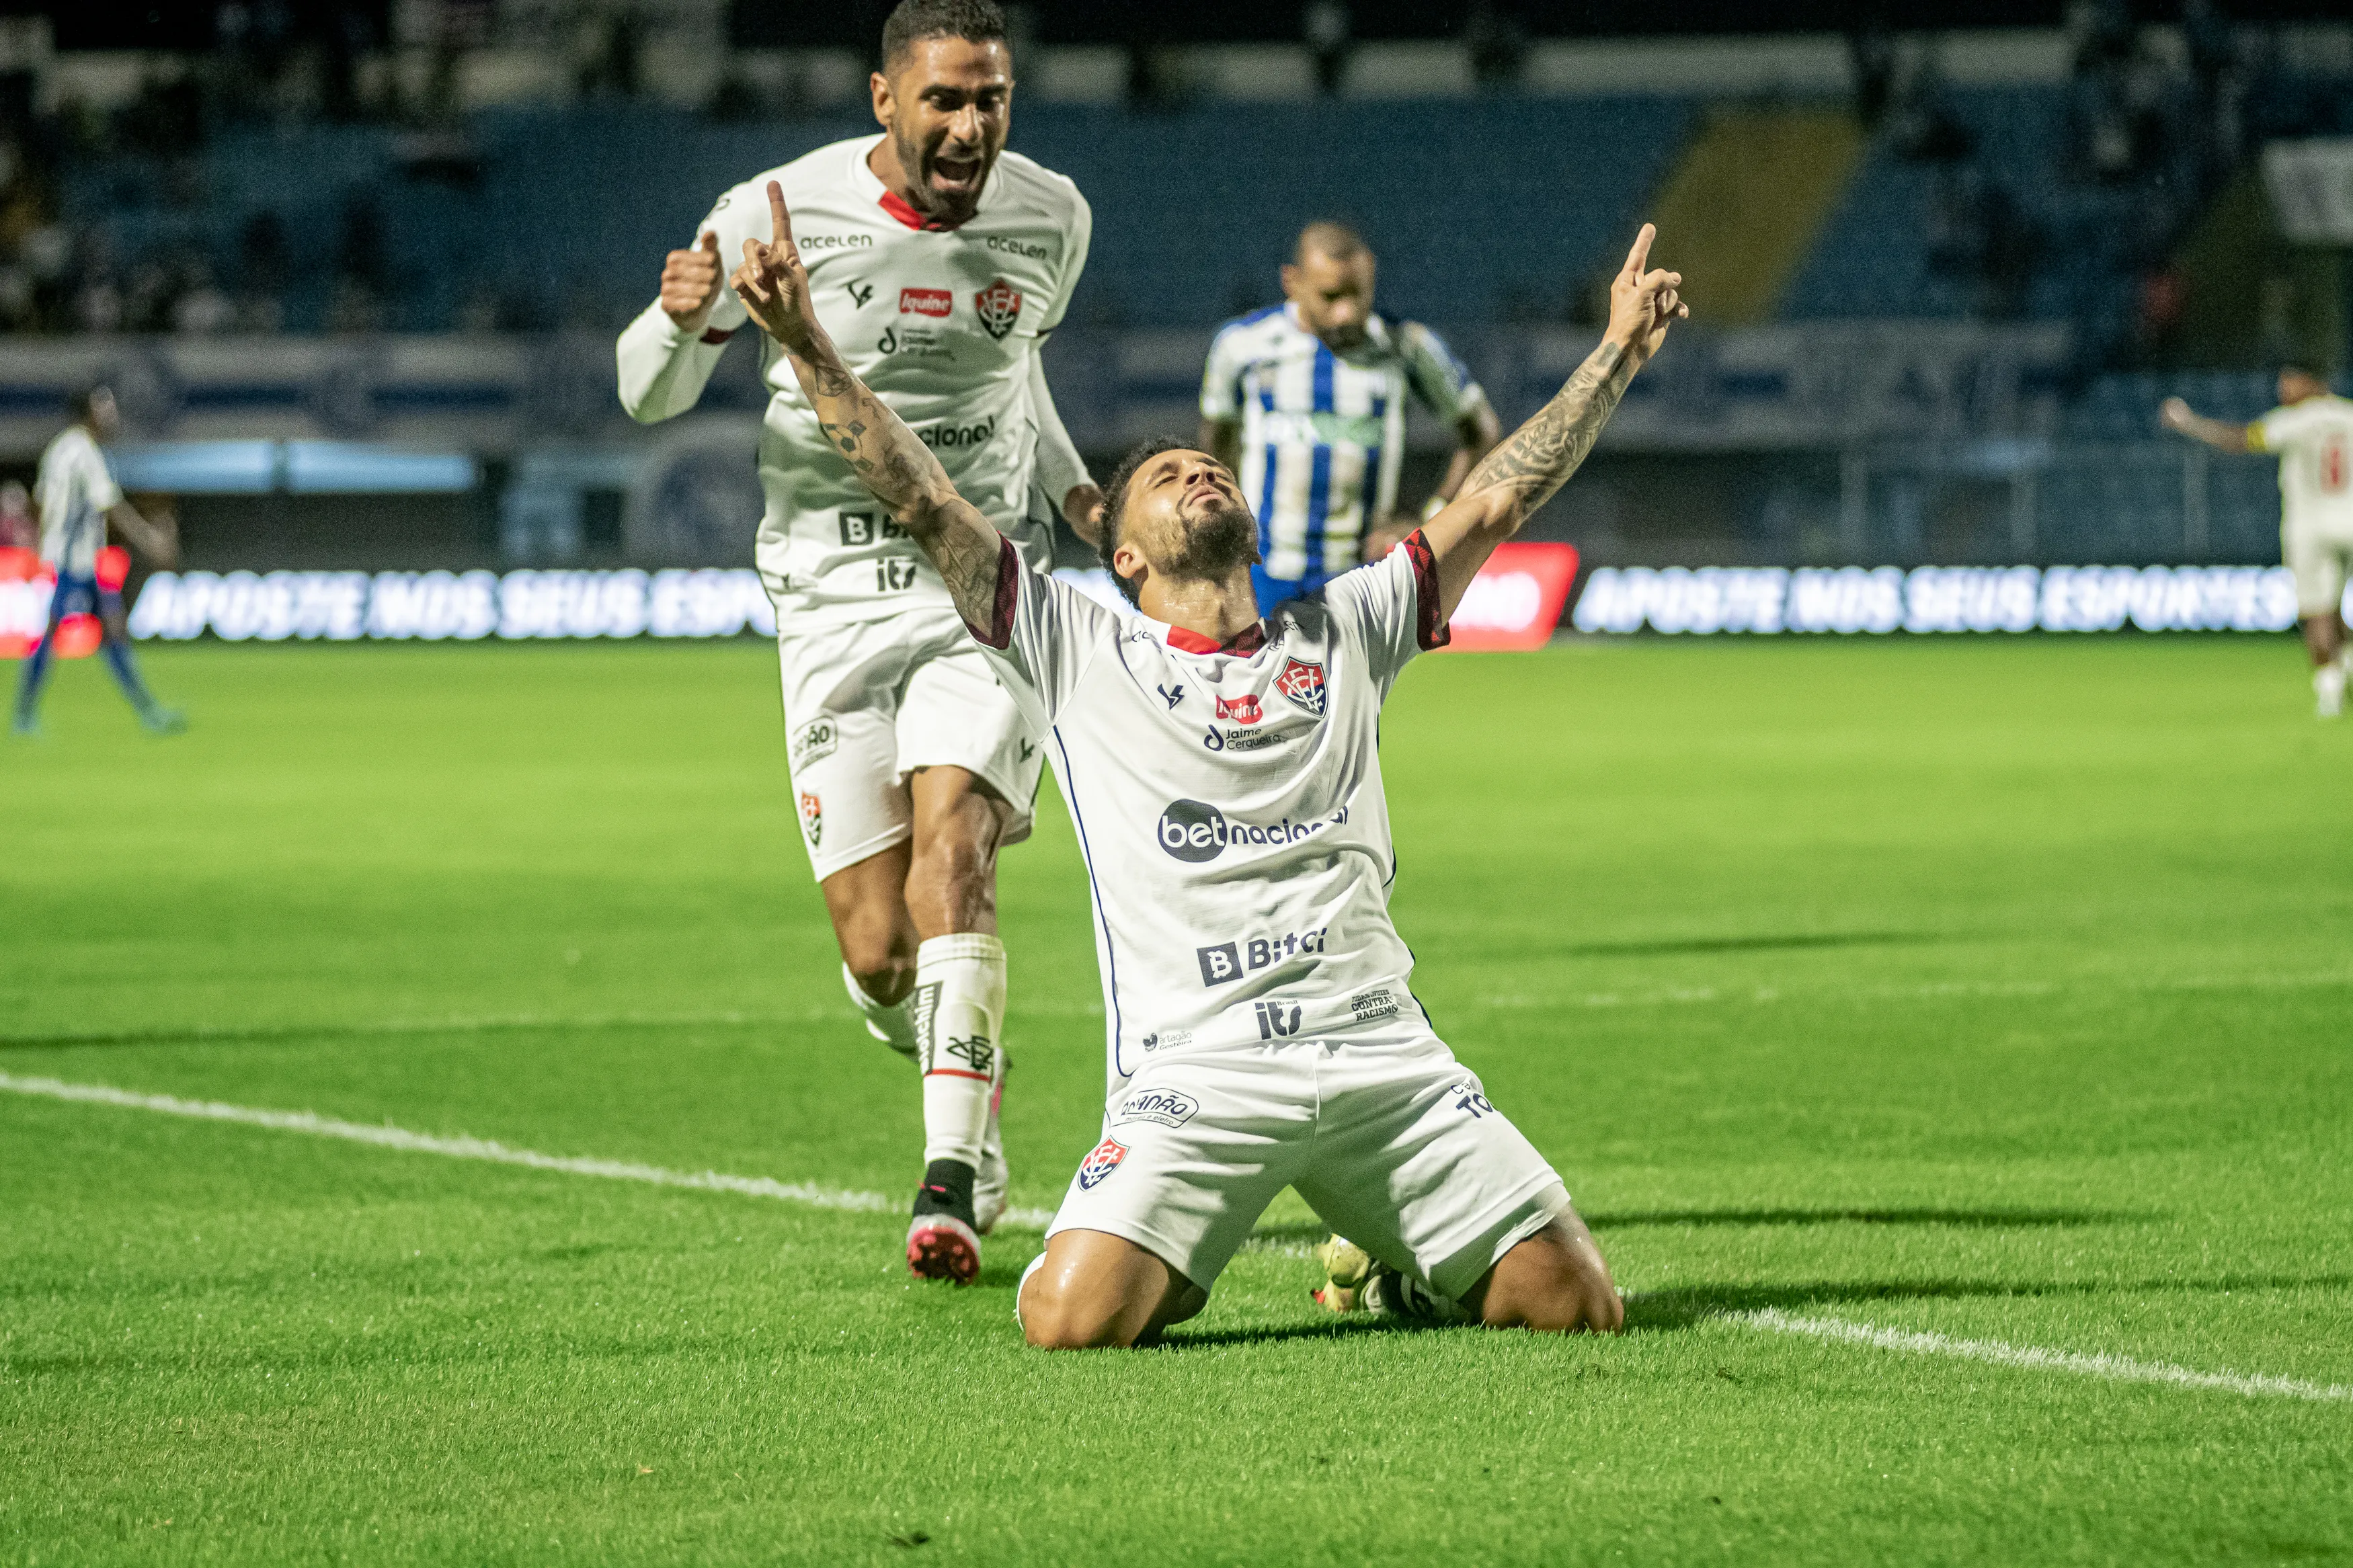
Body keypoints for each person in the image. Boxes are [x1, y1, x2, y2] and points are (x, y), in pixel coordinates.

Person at [726, 175, 1685, 1347]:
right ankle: (1193, 1246)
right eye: (1168, 477)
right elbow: (921, 494)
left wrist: (1619, 354)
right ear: (1124, 555)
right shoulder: (1078, 642)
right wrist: (807, 343)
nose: (1199, 472)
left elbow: (1499, 488)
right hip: (1202, 1077)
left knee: (1579, 1308)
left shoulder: (1351, 624)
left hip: (1382, 1052)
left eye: (1207, 467)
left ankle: (1389, 1264)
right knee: (1068, 1322)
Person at [614, 0, 1101, 1284]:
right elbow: (645, 394)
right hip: (829, 600)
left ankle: (948, 1178)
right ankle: (963, 1057)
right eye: (943, 99)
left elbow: (1018, 379)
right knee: (884, 954)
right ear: (884, 100)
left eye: (990, 98)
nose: (969, 124)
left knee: (959, 859)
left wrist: (1074, 494)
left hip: (979, 587)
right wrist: (675, 320)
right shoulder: (775, 210)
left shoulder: (1052, 216)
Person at [1198, 221, 1501, 615]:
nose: (1345, 313)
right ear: (1292, 282)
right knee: (1257, 677)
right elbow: (1215, 442)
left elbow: (1481, 432)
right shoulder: (1242, 345)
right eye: (1330, 296)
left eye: (1357, 294)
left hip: (1363, 574)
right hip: (1263, 569)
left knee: (1353, 680)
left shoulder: (1407, 348)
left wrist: (1430, 519)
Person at [2162, 365, 2353, 716]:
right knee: (2336, 605)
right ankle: (2349, 661)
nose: (2284, 386)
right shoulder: (2349, 415)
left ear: (2314, 383)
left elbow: (2242, 440)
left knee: (2318, 610)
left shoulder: (2295, 420)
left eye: (2291, 379)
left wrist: (2189, 423)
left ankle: (2330, 689)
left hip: (2309, 527)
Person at [11, 386, 183, 737]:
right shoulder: (86, 453)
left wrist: (42, 543)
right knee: (60, 633)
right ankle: (24, 715)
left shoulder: (58, 448)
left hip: (69, 559)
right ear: (90, 412)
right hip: (75, 562)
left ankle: (148, 711)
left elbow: (43, 501)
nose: (112, 415)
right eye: (106, 408)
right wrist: (150, 538)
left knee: (109, 631)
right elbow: (110, 504)